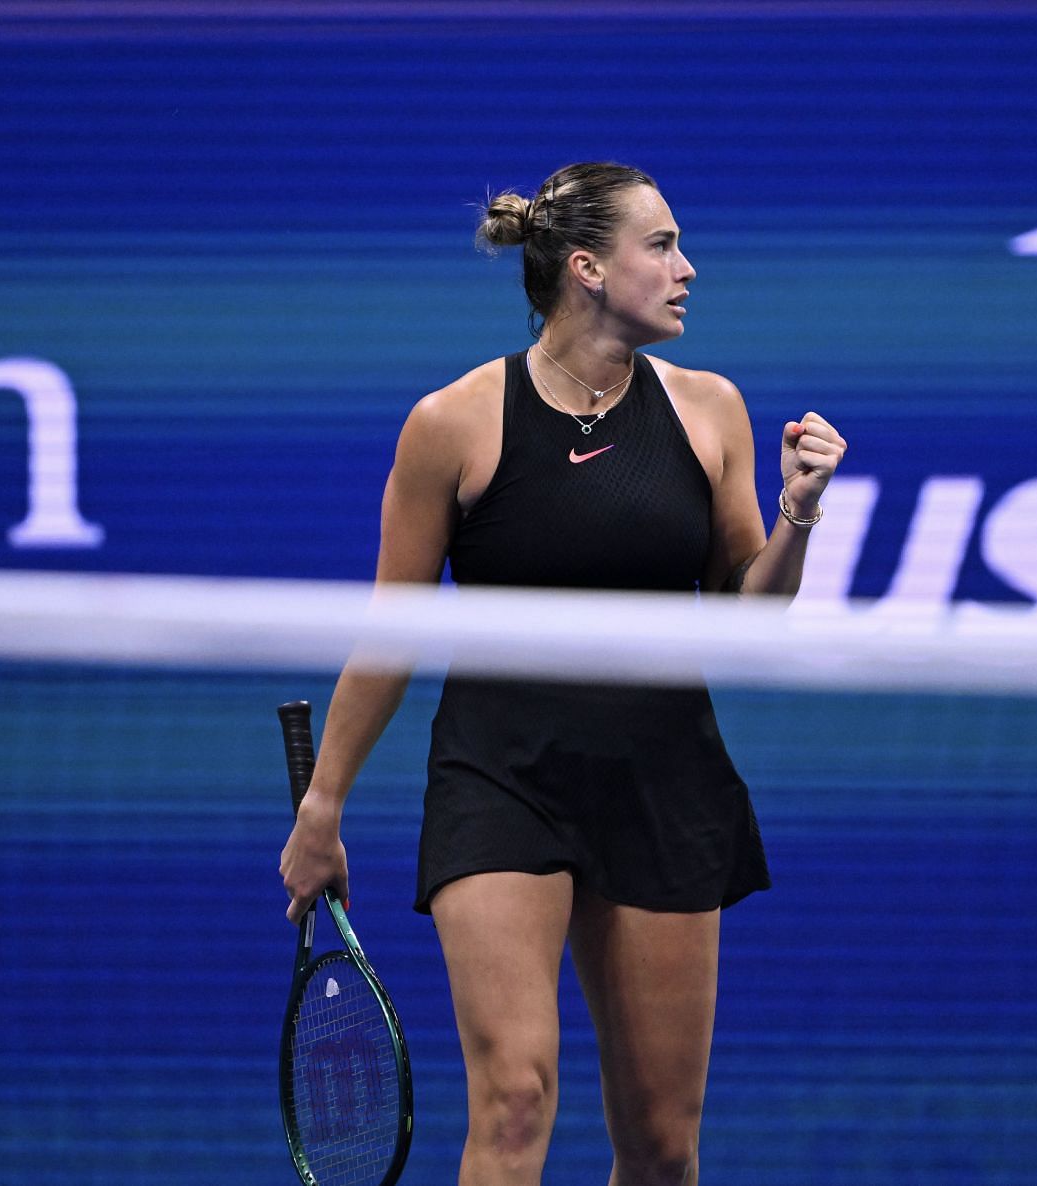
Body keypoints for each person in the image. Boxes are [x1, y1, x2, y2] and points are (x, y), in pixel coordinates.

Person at [279, 161, 846, 1186]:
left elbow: (748, 620)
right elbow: (391, 631)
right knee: (515, 1100)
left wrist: (800, 511)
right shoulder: (454, 422)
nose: (689, 270)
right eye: (662, 246)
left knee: (662, 1149)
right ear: (587, 267)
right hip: (502, 780)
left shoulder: (711, 411)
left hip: (664, 781)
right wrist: (323, 806)